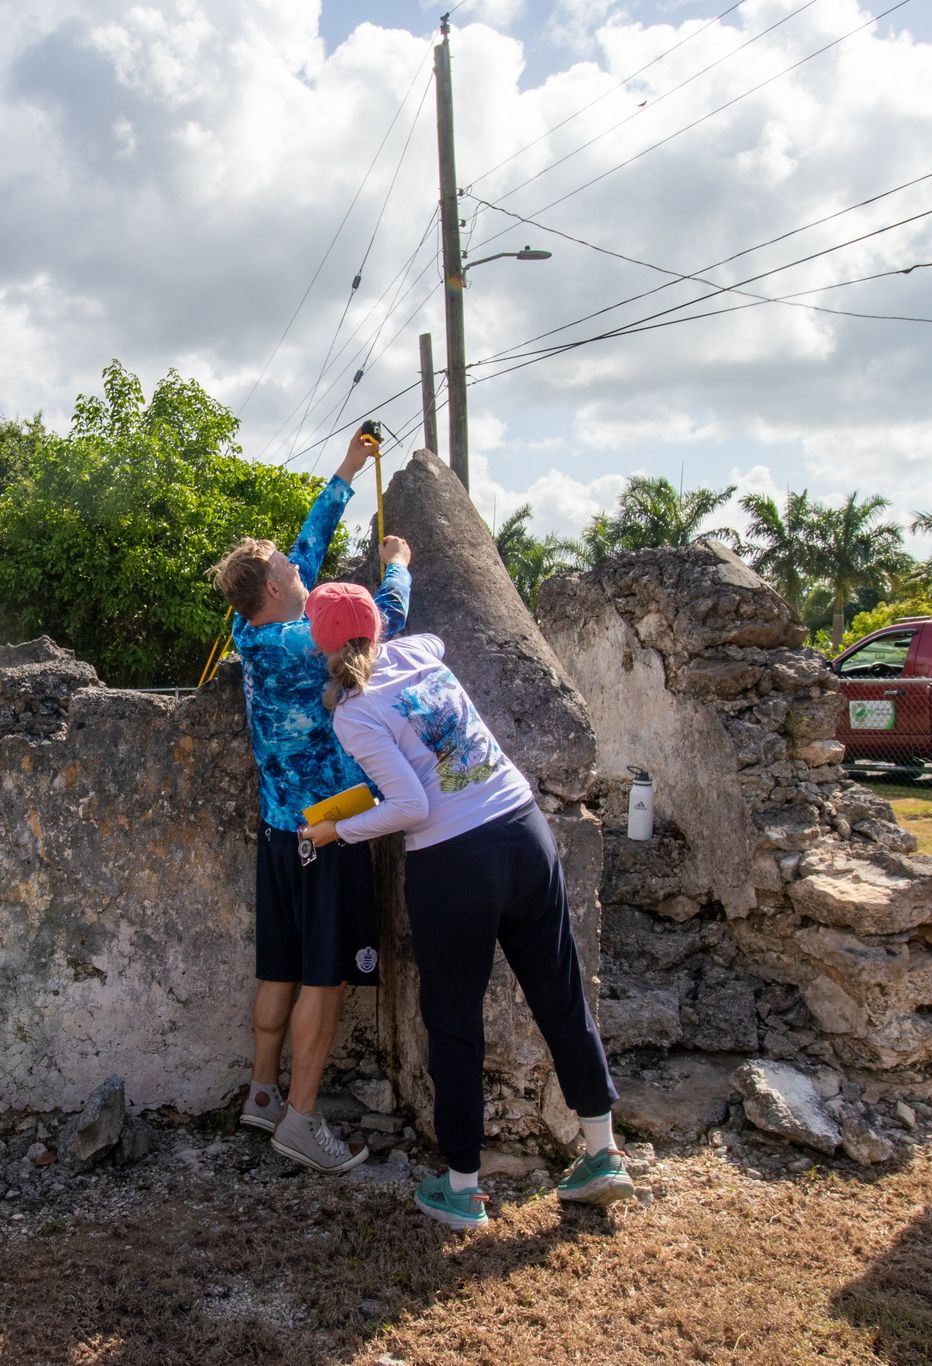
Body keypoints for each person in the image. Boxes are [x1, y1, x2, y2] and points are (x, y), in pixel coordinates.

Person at [299, 579, 634, 1227]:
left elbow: (410, 807)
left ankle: (463, 1187)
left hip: (455, 860)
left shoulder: (353, 712)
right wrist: (396, 572)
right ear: (377, 627)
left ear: (321, 647)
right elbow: (428, 634)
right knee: (562, 996)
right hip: (522, 829)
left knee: (454, 1022)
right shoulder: (423, 653)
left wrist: (333, 828)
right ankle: (603, 1152)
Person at [208, 429, 410, 1174]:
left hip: (276, 832)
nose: (301, 565)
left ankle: (261, 1094)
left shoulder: (250, 630)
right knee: (321, 977)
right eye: (290, 569)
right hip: (327, 831)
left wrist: (347, 476)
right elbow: (375, 628)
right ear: (272, 590)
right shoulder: (303, 646)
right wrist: (397, 572)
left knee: (280, 966)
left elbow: (305, 547)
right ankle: (299, 1119)